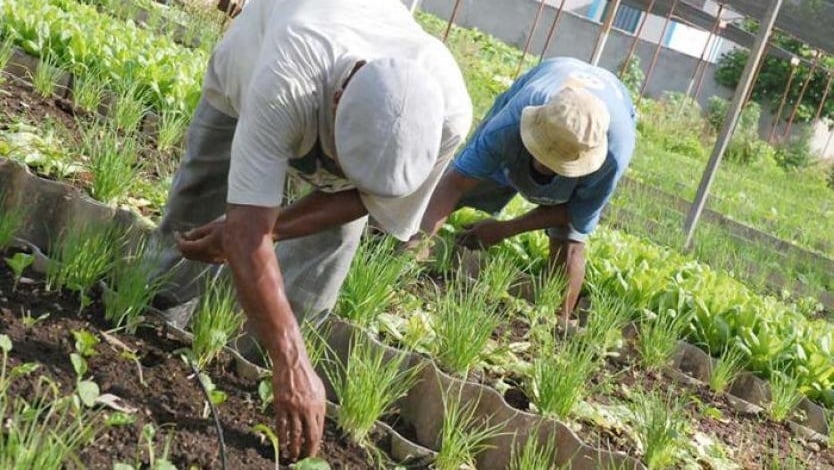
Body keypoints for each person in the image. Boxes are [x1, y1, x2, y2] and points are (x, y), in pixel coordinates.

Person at [149, 0, 472, 460]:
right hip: (248, 75)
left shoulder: (448, 116)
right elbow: (246, 231)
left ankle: (254, 379)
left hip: (341, 133)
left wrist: (267, 231)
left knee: (317, 271)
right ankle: (151, 324)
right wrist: (294, 361)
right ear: (337, 100)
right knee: (195, 214)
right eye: (343, 159)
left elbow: (362, 198)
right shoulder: (288, 76)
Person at [410, 57, 636, 323]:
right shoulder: (513, 119)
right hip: (553, 73)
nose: (545, 165)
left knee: (570, 242)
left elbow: (576, 214)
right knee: (464, 186)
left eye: (558, 164)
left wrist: (506, 228)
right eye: (542, 153)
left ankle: (555, 328)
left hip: (613, 108)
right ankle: (398, 235)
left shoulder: (611, 157)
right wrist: (416, 247)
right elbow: (455, 182)